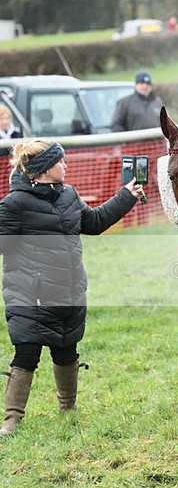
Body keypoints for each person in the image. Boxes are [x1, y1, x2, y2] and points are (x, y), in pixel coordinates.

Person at [0, 139, 144, 437]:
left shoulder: (68, 195)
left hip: (68, 290)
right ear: (42, 170)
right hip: (30, 295)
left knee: (66, 349)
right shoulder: (14, 205)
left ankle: (68, 410)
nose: (65, 165)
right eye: (59, 162)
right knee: (27, 353)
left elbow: (94, 222)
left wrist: (126, 196)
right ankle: (12, 420)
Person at [0, 105, 21, 197]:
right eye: (2, 119)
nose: (5, 121)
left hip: (13, 174)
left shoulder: (17, 134)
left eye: (7, 118)